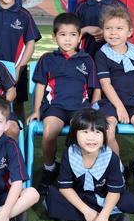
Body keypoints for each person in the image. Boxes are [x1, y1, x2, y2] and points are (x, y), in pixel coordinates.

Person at [26, 13, 100, 195]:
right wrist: (36, 111)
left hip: (80, 108)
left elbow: (95, 87)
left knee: (84, 135)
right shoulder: (47, 59)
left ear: (79, 37)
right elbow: (41, 86)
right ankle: (49, 169)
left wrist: (96, 107)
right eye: (63, 34)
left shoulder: (86, 60)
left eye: (73, 35)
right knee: (49, 131)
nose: (68, 39)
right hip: (55, 107)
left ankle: (80, 172)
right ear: (54, 37)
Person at [93, 6, 134, 194]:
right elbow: (105, 85)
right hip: (110, 103)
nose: (113, 33)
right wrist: (119, 108)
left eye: (119, 28)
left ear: (130, 32)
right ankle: (119, 168)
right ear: (103, 30)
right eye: (108, 28)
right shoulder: (102, 54)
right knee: (108, 132)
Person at [44, 108, 134, 221]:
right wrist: (87, 211)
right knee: (52, 198)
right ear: (75, 134)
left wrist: (104, 213)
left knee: (128, 200)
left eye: (97, 132)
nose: (91, 138)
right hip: (79, 197)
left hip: (103, 197)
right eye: (85, 132)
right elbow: (65, 188)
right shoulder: (69, 154)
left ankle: (103, 217)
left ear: (104, 135)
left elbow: (114, 191)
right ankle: (113, 220)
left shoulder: (111, 157)